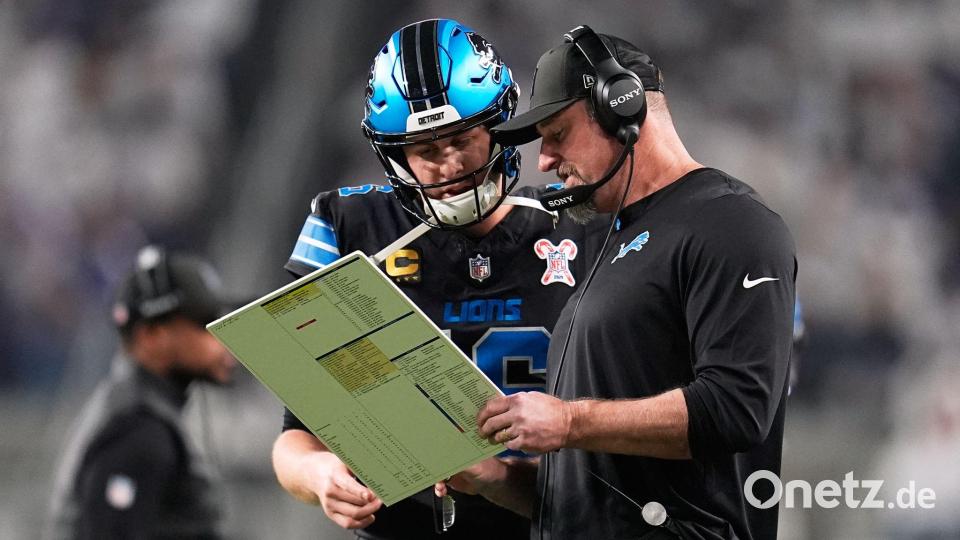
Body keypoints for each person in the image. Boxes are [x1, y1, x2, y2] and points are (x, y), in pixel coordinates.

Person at [436, 26, 797, 539]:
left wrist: (567, 422)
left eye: (558, 135)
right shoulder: (609, 242)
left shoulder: (732, 222)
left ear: (621, 106)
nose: (544, 161)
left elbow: (737, 408)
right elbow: (601, 494)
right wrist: (497, 478)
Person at [270, 19, 602, 540]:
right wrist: (322, 475)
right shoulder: (349, 227)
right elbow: (296, 437)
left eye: (462, 140)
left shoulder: (584, 224)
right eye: (425, 149)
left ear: (498, 126)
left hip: (553, 519)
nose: (447, 163)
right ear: (394, 153)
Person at [46, 246, 238, 539]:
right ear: (151, 336)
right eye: (205, 323)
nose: (223, 336)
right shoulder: (139, 428)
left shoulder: (140, 411)